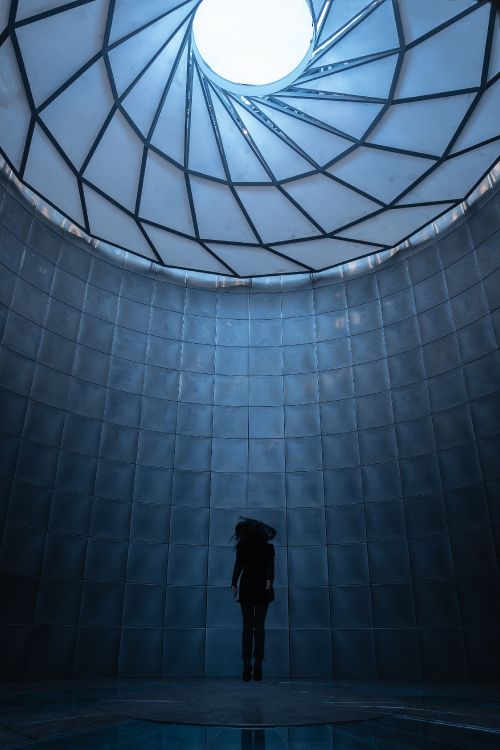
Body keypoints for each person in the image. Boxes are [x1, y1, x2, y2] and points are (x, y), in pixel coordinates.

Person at [230, 517, 276, 682]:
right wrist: (269, 580)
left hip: (248, 587)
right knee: (259, 627)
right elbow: (271, 567)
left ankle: (246, 663)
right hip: (262, 588)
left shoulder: (243, 547)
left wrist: (234, 584)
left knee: (247, 627)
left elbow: (238, 566)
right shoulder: (268, 548)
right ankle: (258, 665)